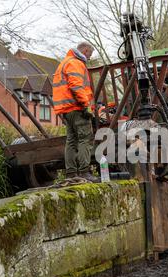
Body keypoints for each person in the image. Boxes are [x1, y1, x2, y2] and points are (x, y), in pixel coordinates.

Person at [53, 42, 98, 182]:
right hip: (77, 108)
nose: (89, 58)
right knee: (85, 138)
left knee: (71, 141)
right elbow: (76, 86)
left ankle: (71, 174)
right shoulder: (76, 63)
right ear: (85, 50)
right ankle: (84, 172)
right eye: (89, 55)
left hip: (66, 110)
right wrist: (86, 106)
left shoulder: (64, 63)